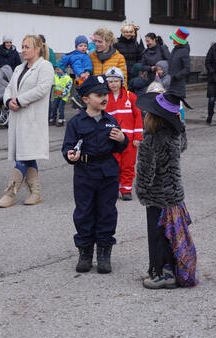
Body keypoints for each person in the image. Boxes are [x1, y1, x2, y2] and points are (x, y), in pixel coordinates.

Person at [62, 75, 128, 274]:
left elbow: (121, 147)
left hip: (108, 172)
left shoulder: (110, 120)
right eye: (99, 94)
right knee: (84, 212)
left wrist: (122, 138)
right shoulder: (76, 123)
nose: (104, 98)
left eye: (105, 94)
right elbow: (68, 147)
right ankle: (85, 252)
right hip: (85, 172)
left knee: (107, 212)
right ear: (86, 99)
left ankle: (104, 253)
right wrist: (70, 155)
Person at [135, 91, 197, 289]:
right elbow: (183, 146)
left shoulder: (150, 141)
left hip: (156, 196)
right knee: (171, 233)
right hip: (174, 195)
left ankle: (164, 273)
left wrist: (142, 193)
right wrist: (181, 126)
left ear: (151, 117)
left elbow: (146, 173)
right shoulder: (175, 135)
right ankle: (159, 268)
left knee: (158, 234)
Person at [0, 35, 54, 208]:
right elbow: (8, 88)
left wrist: (20, 100)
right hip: (17, 118)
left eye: (27, 46)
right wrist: (8, 101)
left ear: (37, 48)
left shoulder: (45, 66)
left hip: (32, 119)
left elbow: (42, 89)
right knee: (27, 154)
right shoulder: (19, 68)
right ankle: (35, 193)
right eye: (22, 46)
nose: (23, 50)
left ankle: (10, 193)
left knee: (23, 156)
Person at [105, 67, 143, 201]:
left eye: (116, 81)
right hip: (112, 138)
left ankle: (126, 189)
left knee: (128, 164)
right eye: (110, 82)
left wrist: (138, 137)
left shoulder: (130, 96)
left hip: (130, 139)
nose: (113, 84)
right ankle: (112, 189)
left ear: (122, 82)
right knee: (113, 164)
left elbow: (138, 117)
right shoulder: (105, 98)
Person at [169, 27, 190, 98]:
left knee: (178, 106)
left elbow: (187, 69)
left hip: (178, 85)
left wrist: (176, 76)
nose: (173, 40)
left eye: (175, 38)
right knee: (172, 106)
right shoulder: (175, 49)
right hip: (171, 83)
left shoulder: (184, 51)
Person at [49, 60, 72, 126]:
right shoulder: (55, 76)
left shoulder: (67, 78)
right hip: (57, 95)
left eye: (58, 69)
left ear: (62, 69)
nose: (57, 71)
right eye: (56, 69)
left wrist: (63, 94)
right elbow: (52, 83)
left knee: (61, 108)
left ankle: (61, 120)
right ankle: (53, 119)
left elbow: (68, 87)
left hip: (64, 96)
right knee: (54, 107)